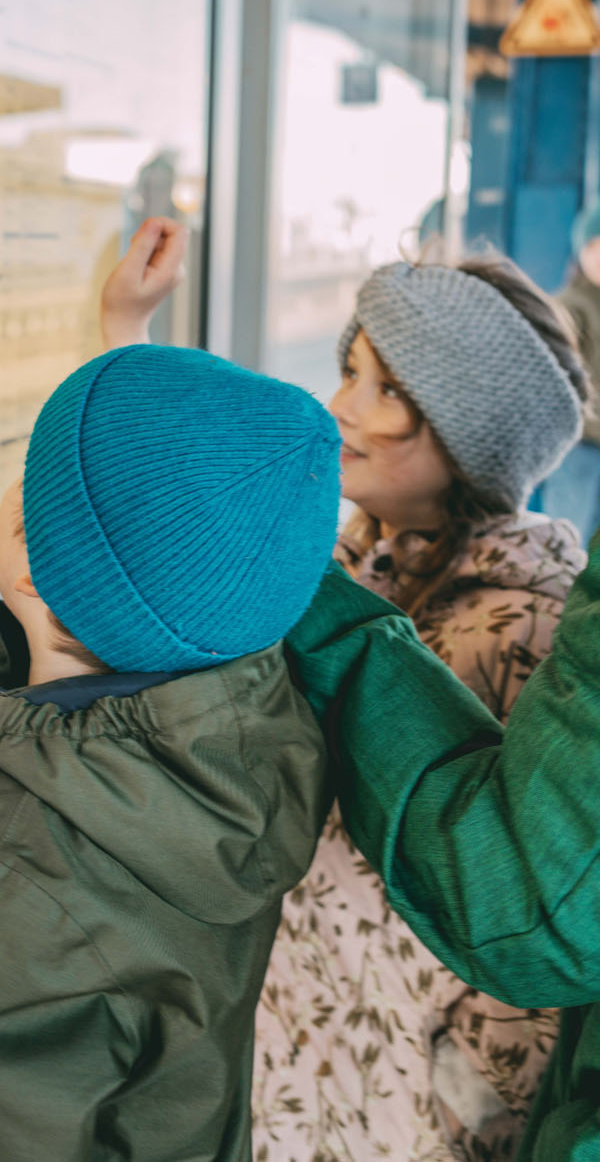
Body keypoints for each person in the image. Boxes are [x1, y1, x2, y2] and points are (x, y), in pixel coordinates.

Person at [107, 231, 591, 1158]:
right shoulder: (354, 565)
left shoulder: (525, 634)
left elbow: (522, 954)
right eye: (348, 371)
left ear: (470, 430)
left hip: (404, 1112)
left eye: (388, 390)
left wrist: (462, 1115)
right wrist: (126, 337)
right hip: (307, 1067)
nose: (338, 409)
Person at [0, 336, 342, 1160]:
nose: (16, 487)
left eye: (30, 487)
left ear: (32, 572)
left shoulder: (0, 859)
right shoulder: (245, 733)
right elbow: (160, 539)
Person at [547, 203, 600, 541]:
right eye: (594, 247)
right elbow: (558, 387)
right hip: (580, 451)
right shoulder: (568, 306)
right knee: (575, 545)